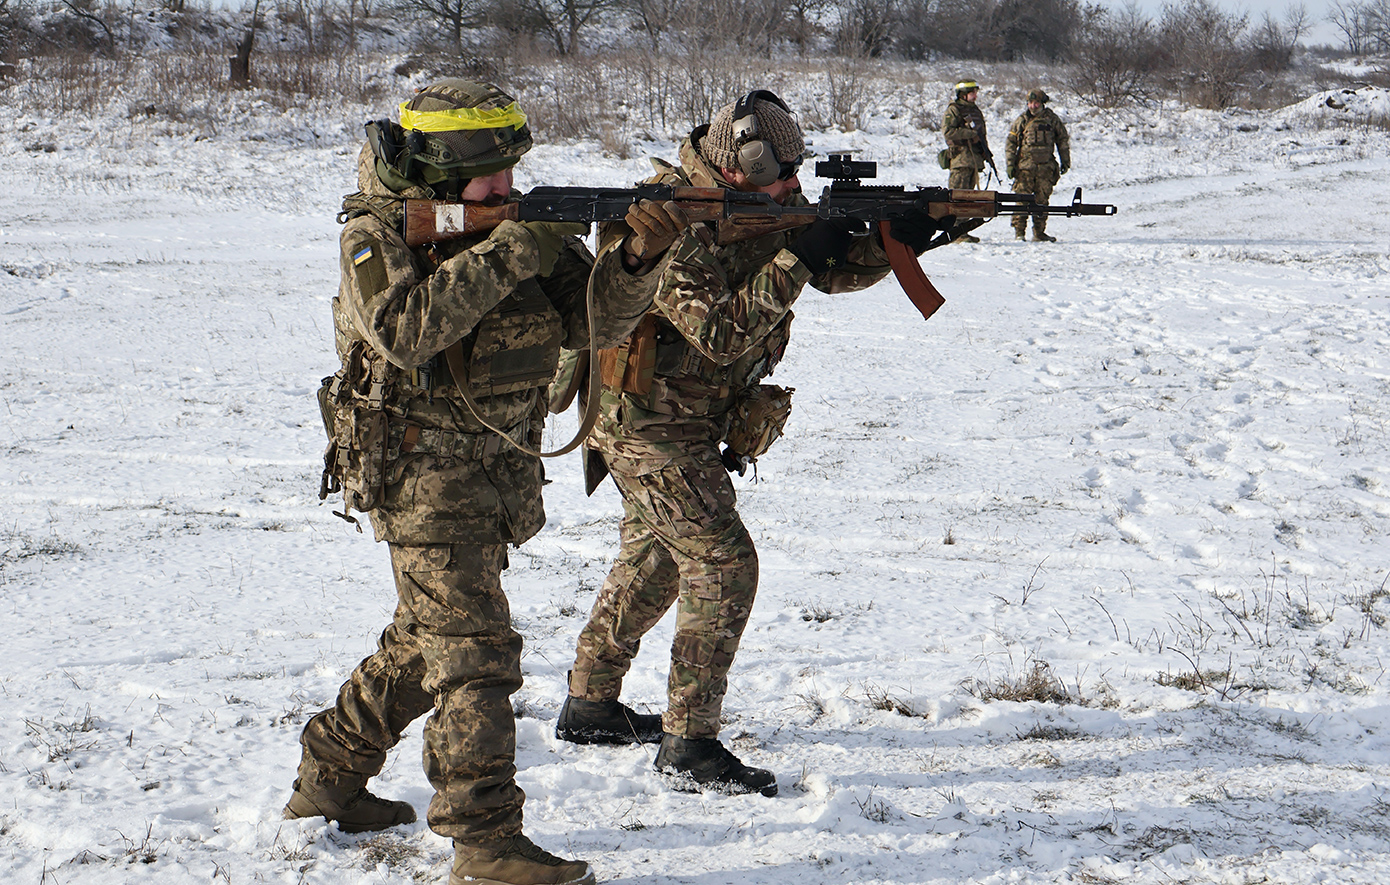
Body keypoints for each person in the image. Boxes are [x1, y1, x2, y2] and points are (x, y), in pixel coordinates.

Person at [284, 78, 688, 885]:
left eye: (511, 176)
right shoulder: (377, 234)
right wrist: (513, 249)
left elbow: (593, 320)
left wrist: (638, 258)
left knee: (421, 641)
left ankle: (329, 777)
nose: (506, 191)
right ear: (437, 178)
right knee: (475, 655)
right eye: (489, 181)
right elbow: (403, 330)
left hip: (492, 478)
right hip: (422, 478)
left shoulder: (516, 228)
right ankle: (485, 839)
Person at [553, 91, 950, 797]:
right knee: (724, 564)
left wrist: (908, 239)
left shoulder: (750, 211)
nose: (794, 190)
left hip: (684, 422)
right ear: (737, 171)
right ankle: (690, 744)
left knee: (655, 563)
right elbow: (720, 330)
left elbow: (830, 270)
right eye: (781, 181)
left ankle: (591, 703)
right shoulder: (664, 220)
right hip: (643, 424)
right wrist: (801, 252)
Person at [1006, 88, 1071, 243]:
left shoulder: (1052, 119)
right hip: (1025, 168)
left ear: (1042, 104)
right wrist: (1010, 164)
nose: (1033, 106)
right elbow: (1011, 143)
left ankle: (1039, 232)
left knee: (1041, 201)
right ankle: (1019, 232)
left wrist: (1065, 161)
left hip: (1045, 168)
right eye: (1030, 103)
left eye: (1036, 103)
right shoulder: (1022, 120)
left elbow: (1062, 140)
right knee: (1022, 200)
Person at [941, 79, 993, 243]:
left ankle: (962, 230)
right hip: (961, 160)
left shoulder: (975, 110)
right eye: (973, 92)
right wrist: (969, 134)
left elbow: (981, 134)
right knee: (958, 195)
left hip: (973, 160)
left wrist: (985, 152)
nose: (975, 95)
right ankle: (954, 231)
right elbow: (948, 132)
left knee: (969, 198)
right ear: (964, 94)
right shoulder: (954, 110)